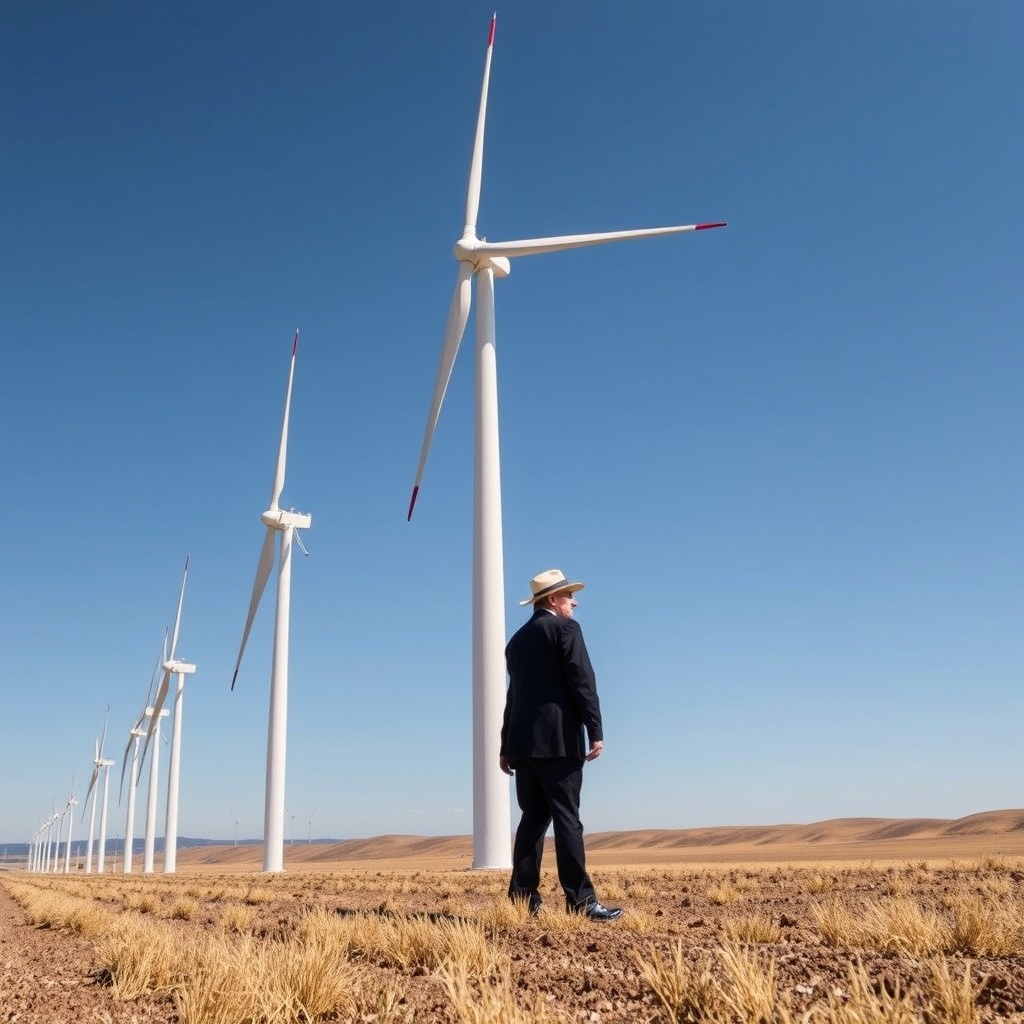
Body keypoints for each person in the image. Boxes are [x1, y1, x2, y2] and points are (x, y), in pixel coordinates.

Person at [499, 568, 622, 921]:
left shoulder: (516, 642)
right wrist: (595, 730)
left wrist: (506, 745)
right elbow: (583, 681)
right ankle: (581, 902)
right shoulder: (566, 629)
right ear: (552, 599)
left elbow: (513, 696)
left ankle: (523, 898)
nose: (574, 601)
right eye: (568, 595)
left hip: (524, 746)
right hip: (558, 742)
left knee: (532, 821)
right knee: (568, 820)